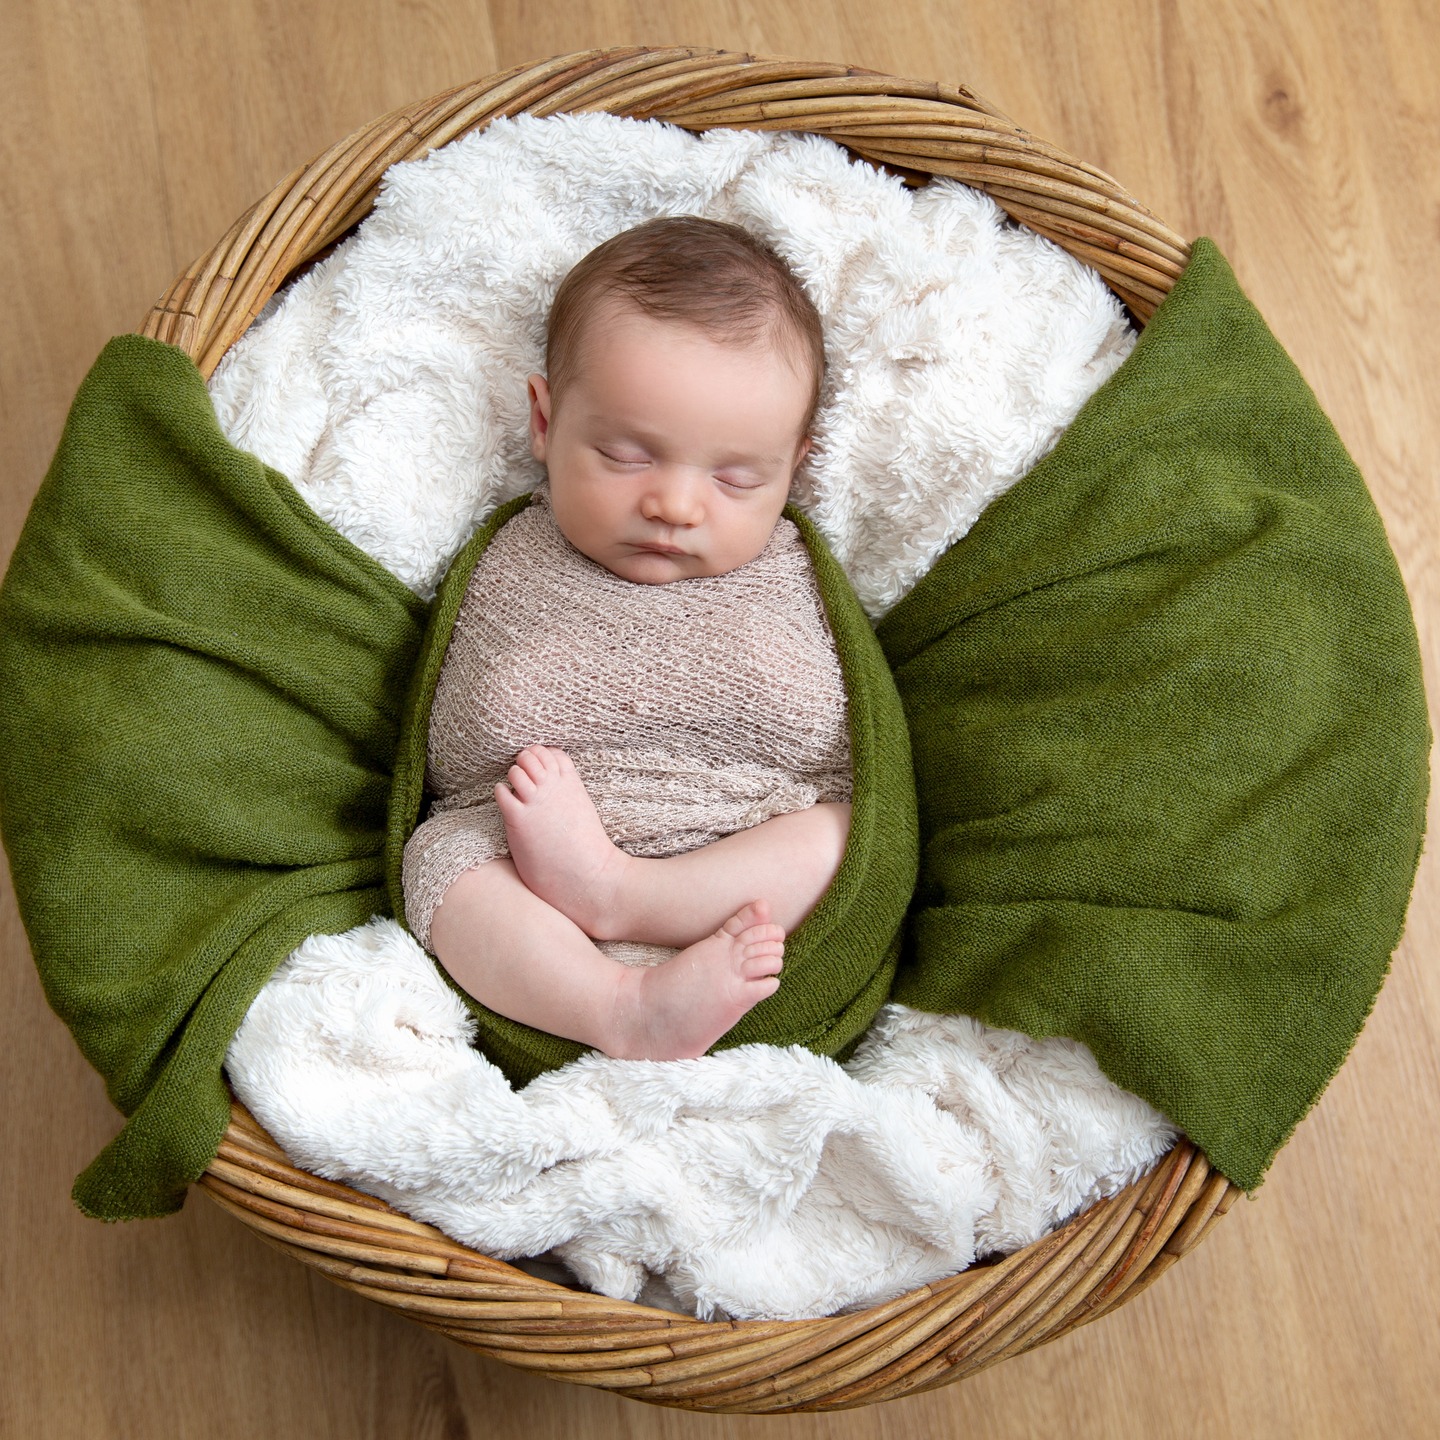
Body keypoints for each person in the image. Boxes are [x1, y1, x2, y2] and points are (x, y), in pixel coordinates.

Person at [403, 216, 853, 1064]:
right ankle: (622, 1007)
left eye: (734, 477)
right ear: (545, 421)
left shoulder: (795, 571)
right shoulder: (511, 560)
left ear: (797, 466)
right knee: (441, 867)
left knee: (838, 836)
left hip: (740, 847)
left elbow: (832, 731)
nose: (676, 505)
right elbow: (463, 735)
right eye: (624, 454)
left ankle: (627, 896)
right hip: (533, 869)